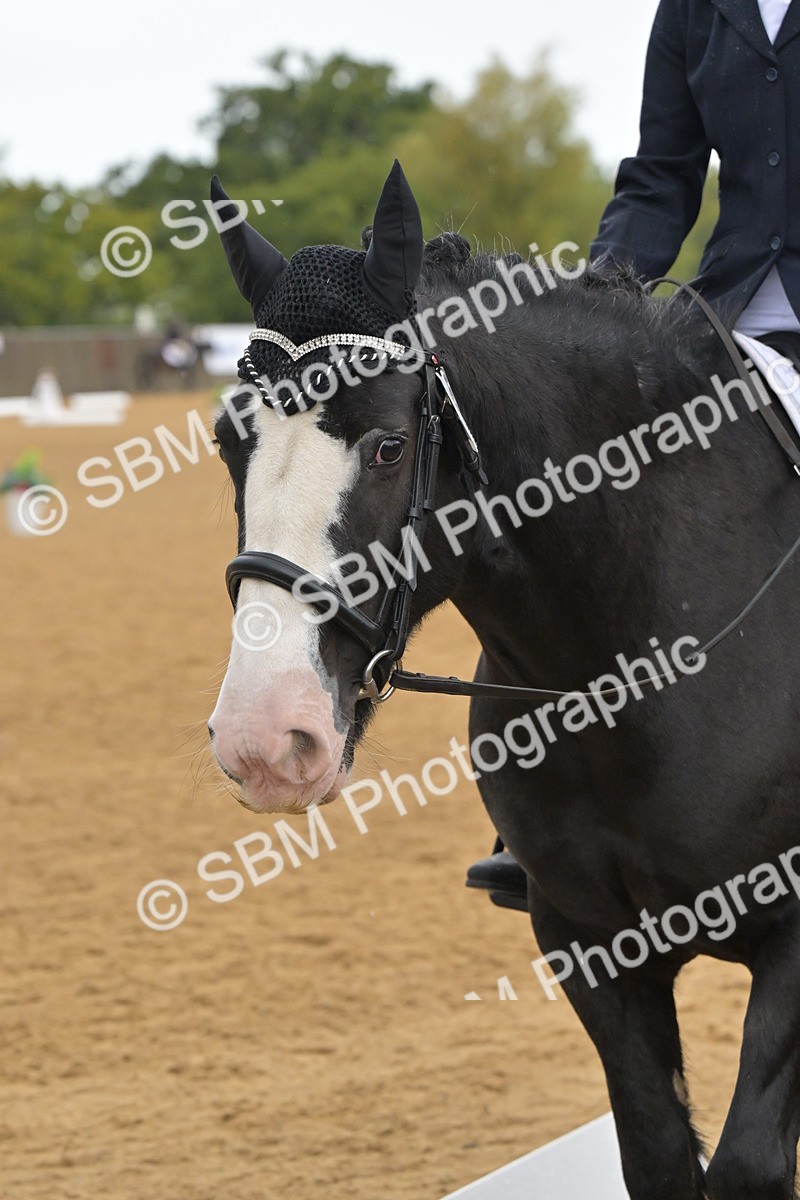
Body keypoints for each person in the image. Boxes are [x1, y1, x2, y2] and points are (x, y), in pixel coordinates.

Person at [467, 0, 800, 904]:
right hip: (724, 318)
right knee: (581, 508)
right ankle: (541, 813)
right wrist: (594, 325)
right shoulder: (694, 8)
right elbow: (662, 176)